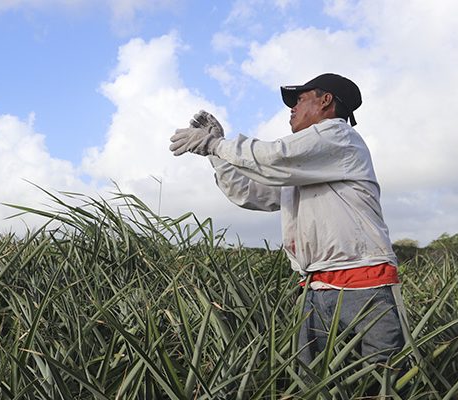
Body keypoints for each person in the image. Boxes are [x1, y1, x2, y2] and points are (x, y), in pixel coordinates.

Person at [168, 73, 407, 367]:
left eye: (300, 99)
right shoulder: (303, 168)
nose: (291, 108)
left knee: (383, 378)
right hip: (315, 286)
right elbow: (248, 193)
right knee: (314, 379)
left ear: (325, 101)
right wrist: (216, 154)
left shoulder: (338, 135)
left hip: (363, 284)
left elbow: (272, 158)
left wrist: (216, 144)